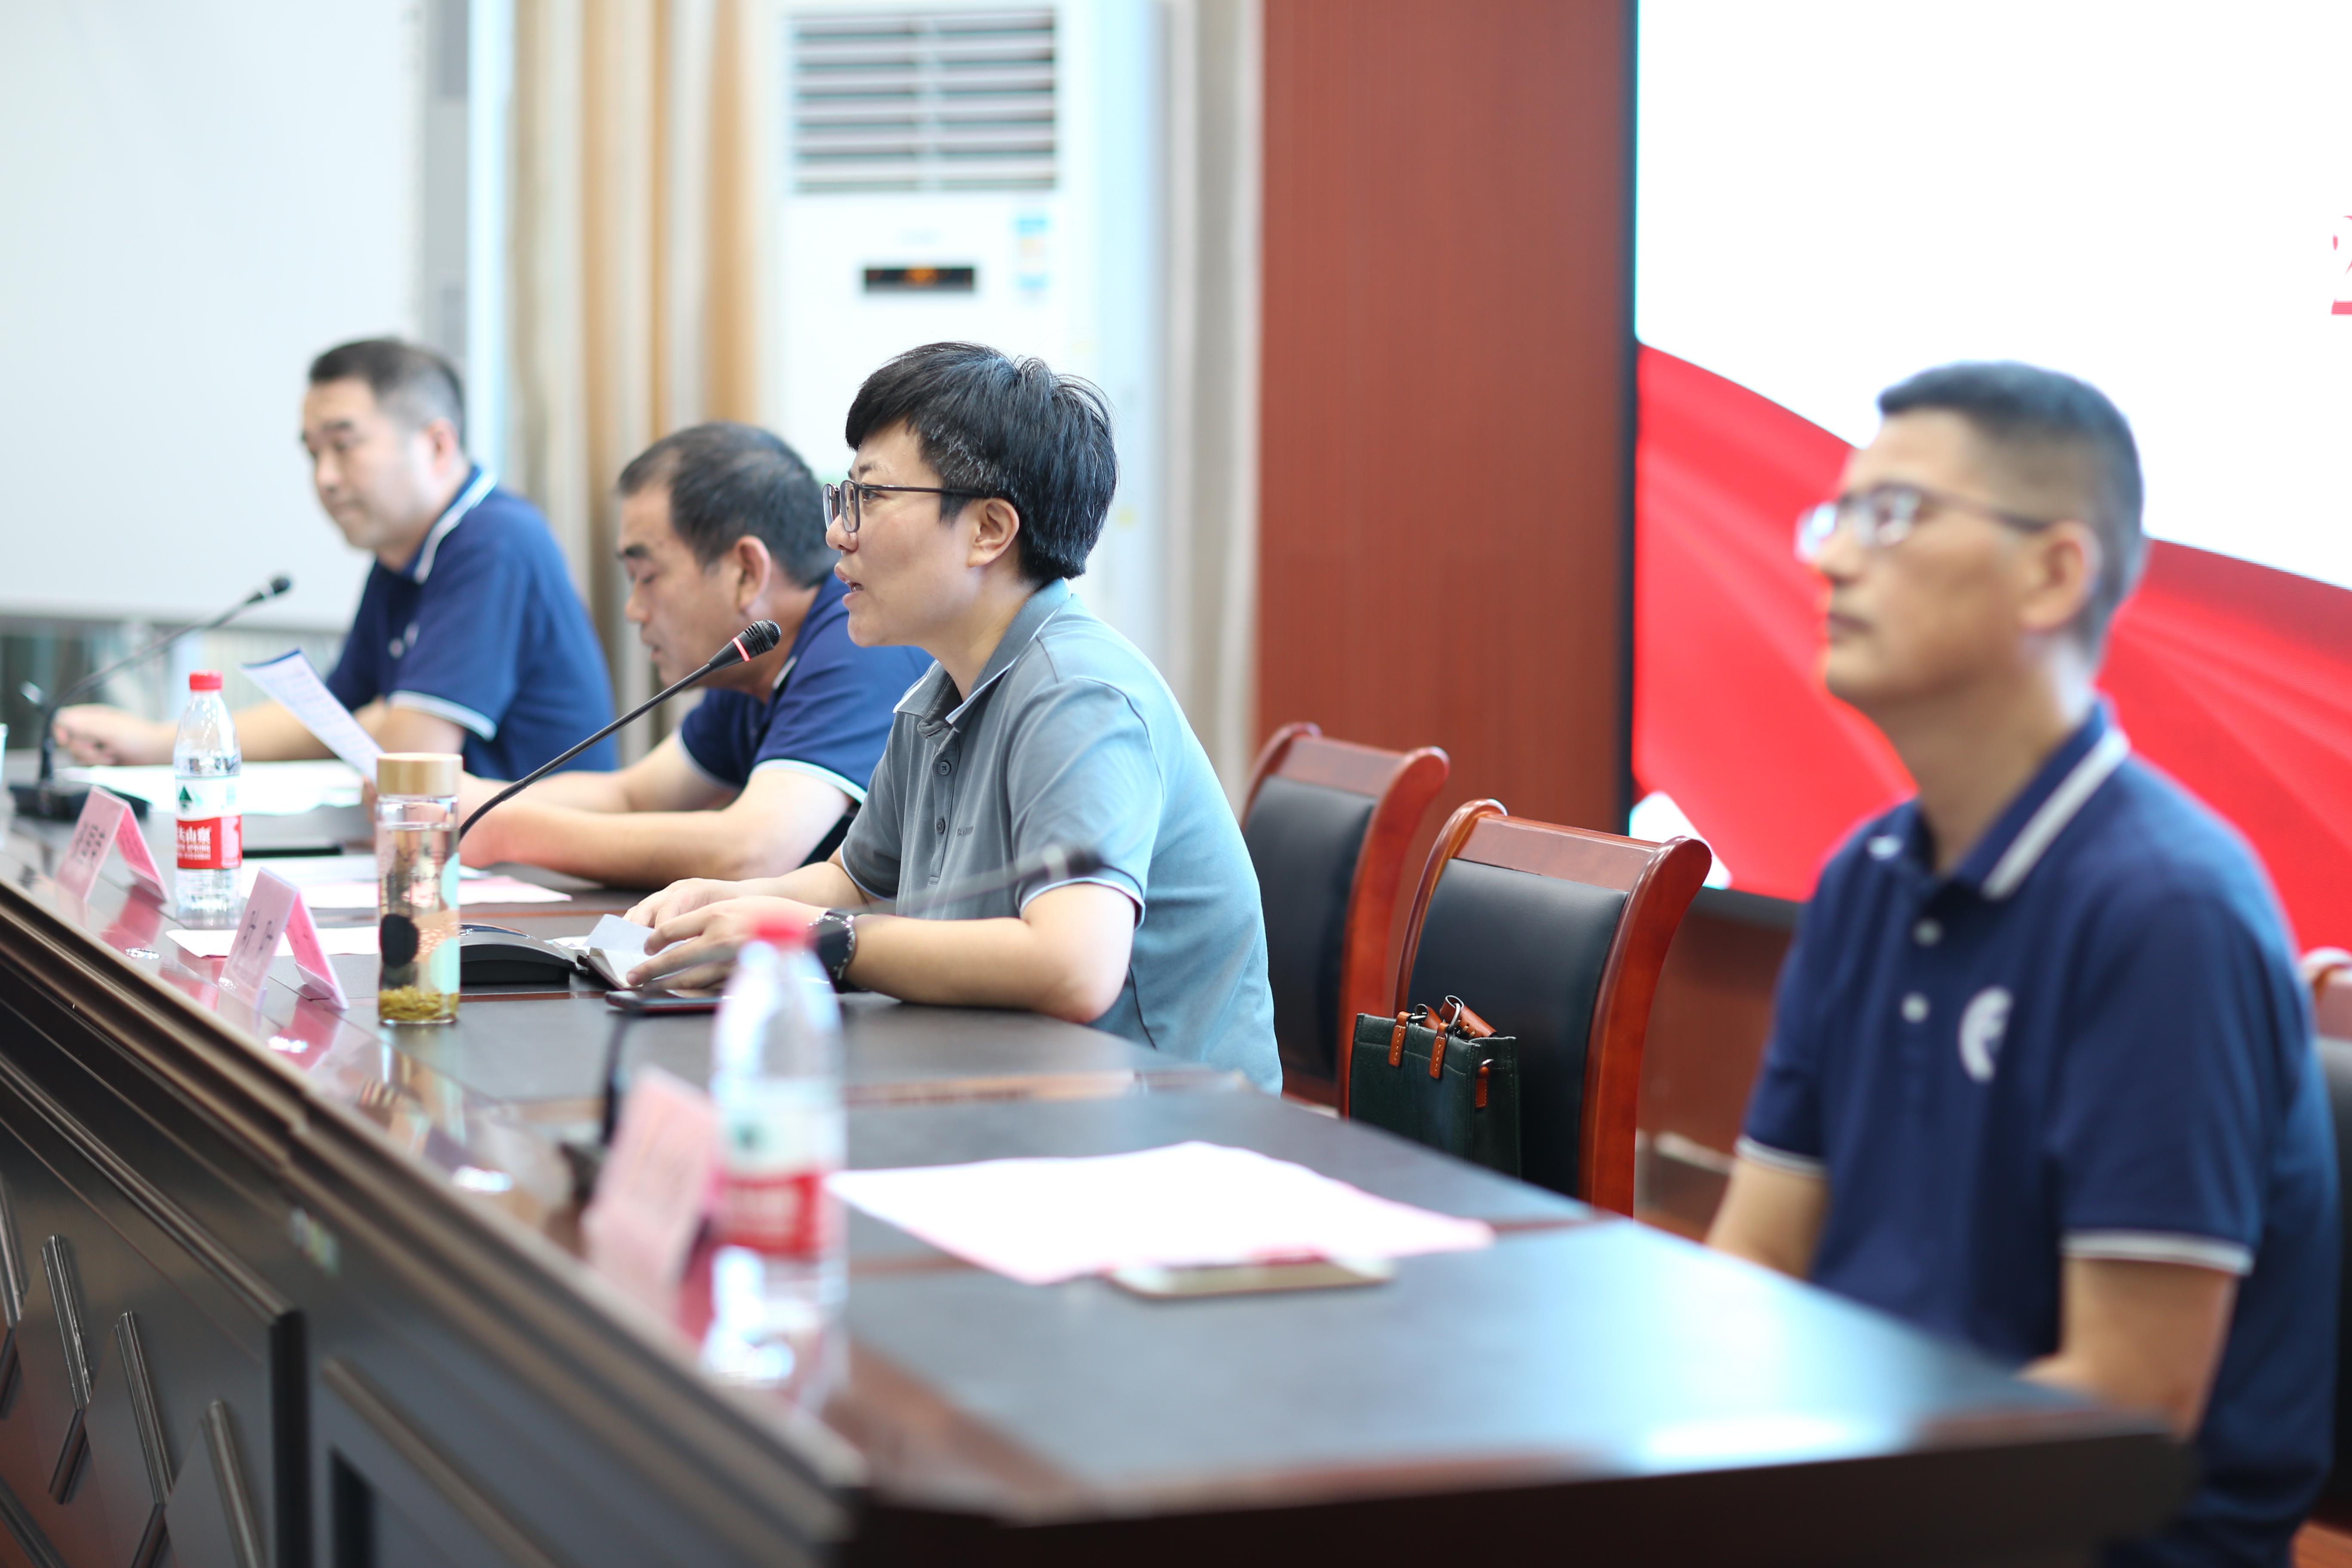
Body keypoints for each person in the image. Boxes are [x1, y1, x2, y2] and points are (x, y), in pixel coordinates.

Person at [1706, 362, 2336, 1565]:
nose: (1831, 559)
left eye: (1892, 516)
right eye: (1836, 516)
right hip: (1883, 1492)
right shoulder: (1864, 877)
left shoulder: (2164, 913)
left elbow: (2123, 1406)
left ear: (2052, 574)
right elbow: (1758, 1261)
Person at [623, 342, 1280, 1091]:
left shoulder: (1080, 693)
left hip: (1164, 1125)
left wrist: (820, 939)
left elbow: (1074, 966)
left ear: (989, 530)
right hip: (1015, 1086)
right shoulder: (942, 688)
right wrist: (726, 903)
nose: (838, 533)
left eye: (870, 497)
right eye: (844, 497)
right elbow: (858, 885)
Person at [54, 339, 616, 778]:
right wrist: (165, 742)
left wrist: (383, 721)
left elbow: (410, 757)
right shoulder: (401, 557)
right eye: (314, 454)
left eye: (344, 446)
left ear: (437, 446)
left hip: (535, 874)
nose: (324, 478)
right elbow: (328, 716)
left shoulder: (495, 542)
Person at [455, 423, 929, 885]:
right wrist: (478, 800)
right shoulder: (753, 663)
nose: (633, 610)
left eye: (647, 576)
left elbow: (752, 850)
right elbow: (633, 797)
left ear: (746, 572)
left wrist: (503, 831)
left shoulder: (857, 641)